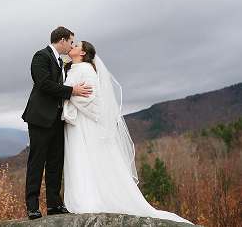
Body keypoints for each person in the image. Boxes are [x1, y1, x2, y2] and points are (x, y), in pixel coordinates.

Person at [61, 41, 193, 224]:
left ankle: (91, 197)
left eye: (76, 45)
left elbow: (92, 99)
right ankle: (84, 194)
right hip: (77, 124)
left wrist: (70, 95)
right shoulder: (73, 68)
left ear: (82, 53)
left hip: (85, 123)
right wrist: (70, 93)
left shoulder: (86, 70)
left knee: (87, 157)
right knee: (80, 157)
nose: (72, 46)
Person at [21, 26, 93, 220]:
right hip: (40, 118)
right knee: (37, 162)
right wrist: (72, 91)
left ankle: (54, 204)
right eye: (70, 42)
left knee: (55, 162)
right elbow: (43, 84)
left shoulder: (63, 62)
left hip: (58, 119)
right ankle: (32, 206)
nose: (71, 46)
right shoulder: (41, 57)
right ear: (61, 40)